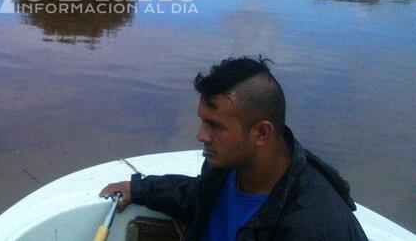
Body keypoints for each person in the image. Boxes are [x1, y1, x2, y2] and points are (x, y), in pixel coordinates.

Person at [99, 56, 367, 240]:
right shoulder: (227, 168)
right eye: (203, 122)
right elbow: (198, 196)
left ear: (261, 133)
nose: (201, 135)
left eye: (215, 126)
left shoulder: (316, 226)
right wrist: (139, 189)